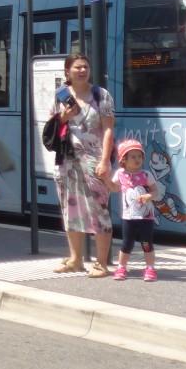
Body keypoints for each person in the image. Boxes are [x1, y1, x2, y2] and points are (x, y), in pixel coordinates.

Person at [51, 52, 116, 277]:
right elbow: (53, 126)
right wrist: (63, 118)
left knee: (100, 211)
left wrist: (106, 160)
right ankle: (76, 259)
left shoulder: (101, 95)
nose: (82, 70)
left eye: (85, 67)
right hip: (66, 161)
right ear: (67, 71)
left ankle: (101, 263)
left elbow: (108, 129)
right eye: (78, 67)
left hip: (94, 162)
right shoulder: (60, 96)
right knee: (70, 211)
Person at [106, 138, 161, 281]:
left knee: (146, 243)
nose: (137, 159)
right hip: (128, 217)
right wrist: (105, 179)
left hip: (146, 217)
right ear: (124, 159)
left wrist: (148, 196)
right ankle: (121, 267)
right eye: (133, 157)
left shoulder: (146, 175)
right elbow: (114, 188)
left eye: (139, 156)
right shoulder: (120, 174)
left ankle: (150, 268)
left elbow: (156, 192)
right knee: (127, 243)